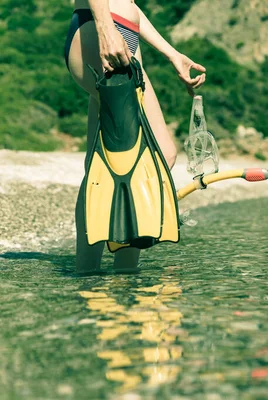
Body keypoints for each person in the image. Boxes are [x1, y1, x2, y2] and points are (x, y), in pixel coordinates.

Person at [65, 0, 206, 274]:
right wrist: (106, 32)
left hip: (121, 31)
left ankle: (89, 273)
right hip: (102, 30)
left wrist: (171, 53)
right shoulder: (105, 30)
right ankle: (124, 275)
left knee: (100, 160)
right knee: (159, 153)